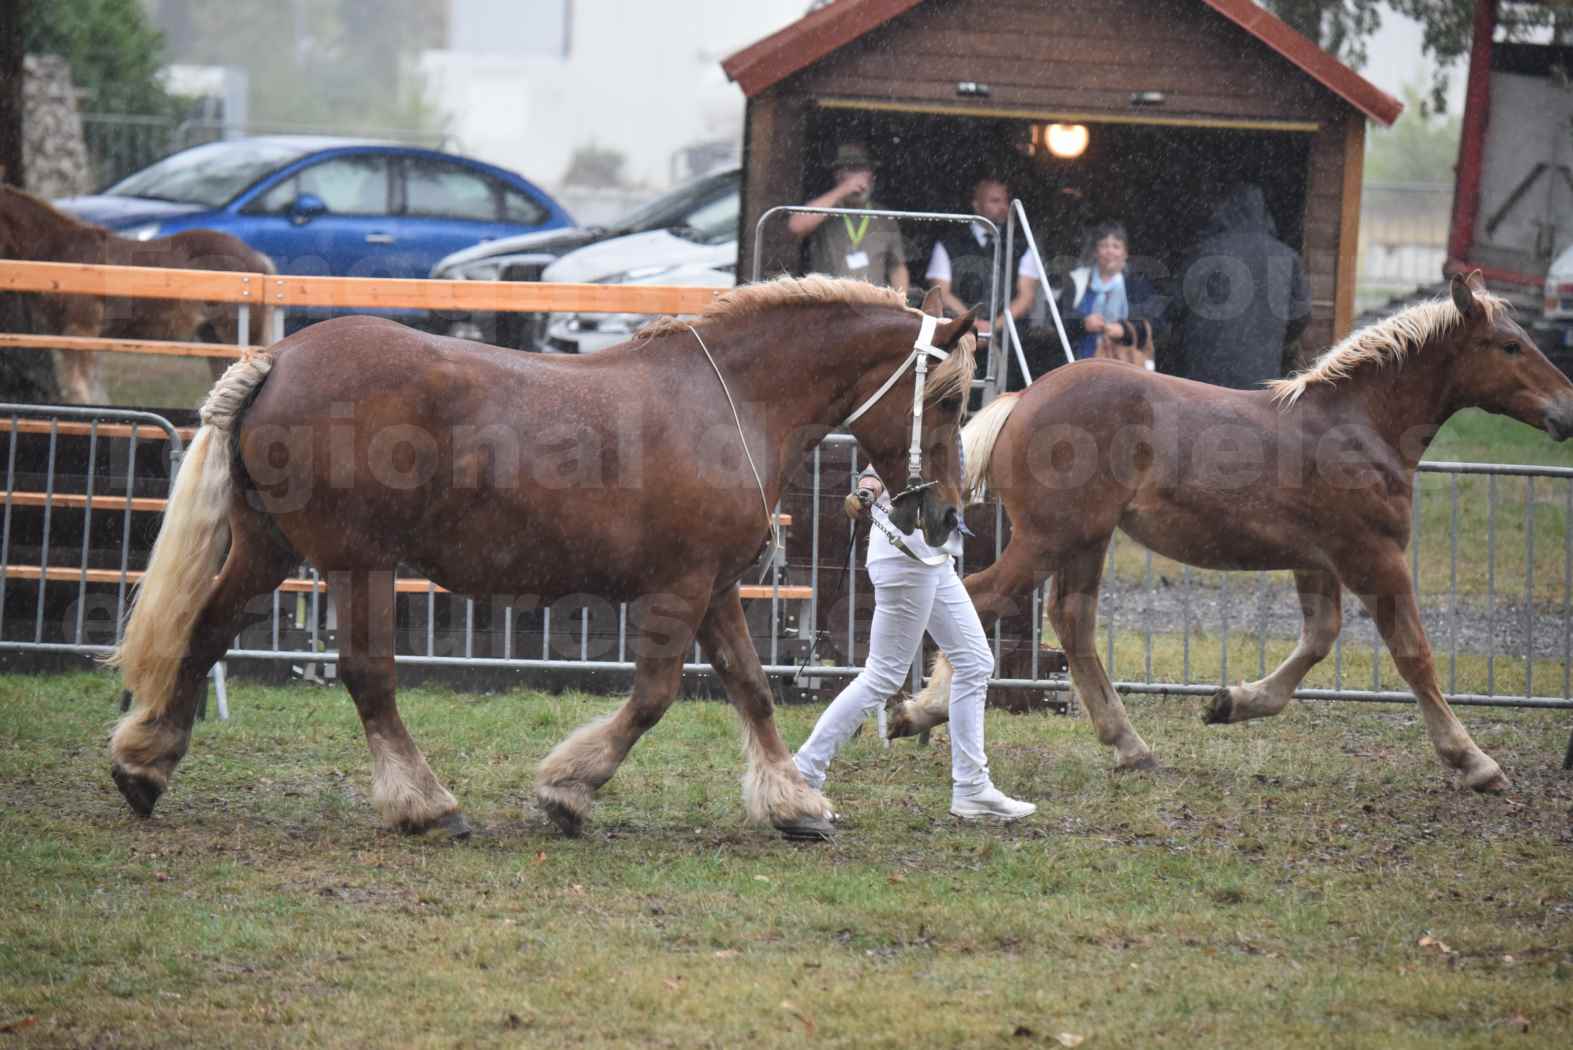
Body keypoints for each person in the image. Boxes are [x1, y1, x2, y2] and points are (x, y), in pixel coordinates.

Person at [793, 462, 1037, 822]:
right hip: (907, 557)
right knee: (883, 677)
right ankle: (803, 774)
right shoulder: (927, 410)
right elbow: (885, 461)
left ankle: (972, 789)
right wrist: (869, 489)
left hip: (934, 558)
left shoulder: (947, 419)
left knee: (974, 662)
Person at [1170, 183, 1310, 388]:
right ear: (1263, 213)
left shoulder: (1205, 251)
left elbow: (1175, 307)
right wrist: (1273, 338)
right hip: (1261, 375)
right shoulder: (1286, 258)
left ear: (1223, 211)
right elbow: (1301, 315)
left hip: (1205, 378)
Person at [787, 142, 908, 293]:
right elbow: (795, 226)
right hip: (828, 301)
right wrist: (843, 189)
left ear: (872, 176)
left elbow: (897, 266)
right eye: (851, 169)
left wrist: (902, 301)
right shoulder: (825, 209)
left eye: (863, 169)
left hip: (872, 305)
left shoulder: (884, 217)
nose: (858, 177)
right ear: (837, 174)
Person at [926, 176, 1041, 334]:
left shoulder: (1022, 245)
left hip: (1007, 339)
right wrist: (971, 322)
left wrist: (993, 327)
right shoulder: (949, 243)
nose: (1003, 207)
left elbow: (1026, 297)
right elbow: (940, 292)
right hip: (957, 335)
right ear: (976, 205)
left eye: (1005, 201)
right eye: (994, 201)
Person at [1054, 221, 1167, 363]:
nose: (1110, 251)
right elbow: (1056, 322)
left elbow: (1158, 325)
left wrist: (1124, 330)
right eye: (1104, 246)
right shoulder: (1077, 281)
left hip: (1127, 370)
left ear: (1126, 253)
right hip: (1080, 368)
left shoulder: (1138, 285)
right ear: (1096, 251)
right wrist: (1083, 324)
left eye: (1116, 246)